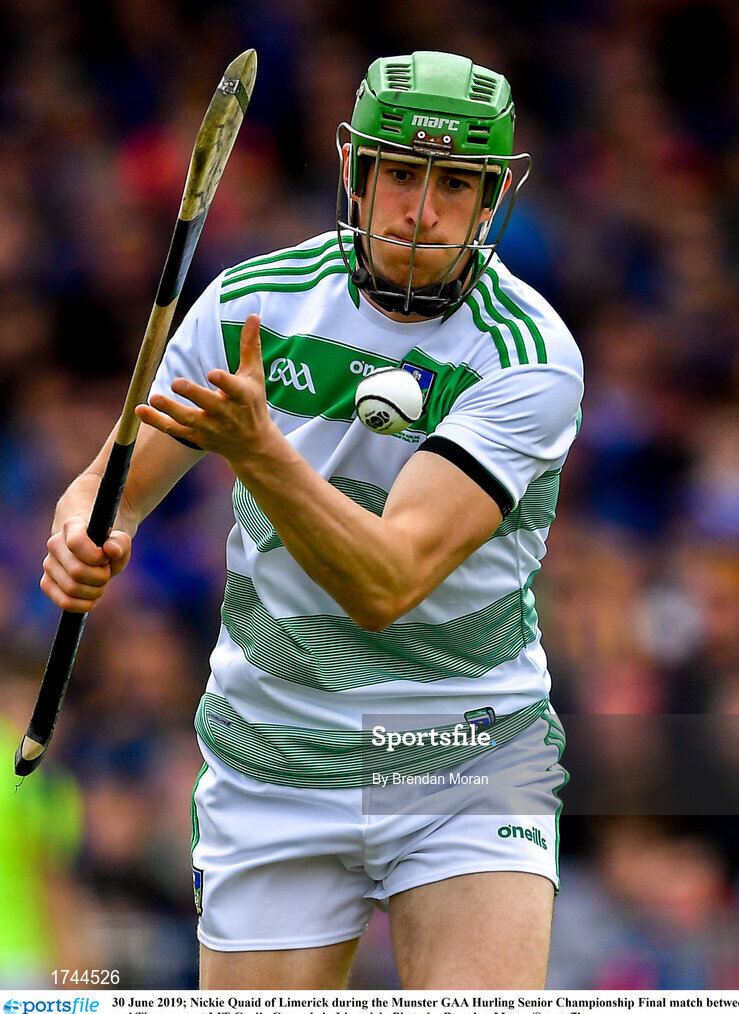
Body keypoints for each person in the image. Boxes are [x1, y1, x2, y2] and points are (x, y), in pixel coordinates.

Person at [40, 51, 584, 988]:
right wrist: (81, 537)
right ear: (354, 173)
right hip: (272, 755)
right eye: (400, 174)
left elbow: (387, 580)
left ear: (492, 200)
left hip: (459, 749)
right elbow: (109, 486)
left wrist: (259, 451)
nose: (421, 210)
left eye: (455, 184)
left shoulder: (527, 356)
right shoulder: (251, 306)